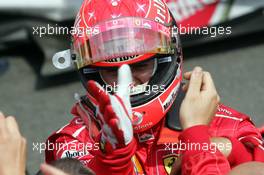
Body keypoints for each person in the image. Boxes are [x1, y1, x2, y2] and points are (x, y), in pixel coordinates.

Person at [46, 0, 264, 174]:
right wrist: (113, 157)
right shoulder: (72, 142)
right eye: (112, 71)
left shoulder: (229, 125)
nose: (128, 81)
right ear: (92, 72)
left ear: (167, 60)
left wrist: (226, 147)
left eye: (140, 66)